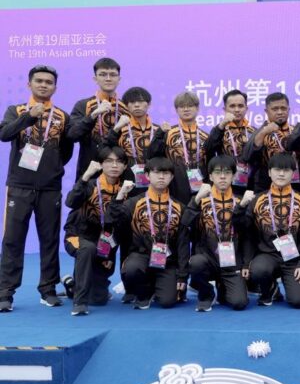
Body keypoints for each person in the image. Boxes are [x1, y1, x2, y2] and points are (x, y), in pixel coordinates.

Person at [0, 65, 73, 312]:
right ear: (29, 84)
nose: (43, 85)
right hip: (19, 186)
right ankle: (5, 292)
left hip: (50, 188)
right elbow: (4, 134)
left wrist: (51, 168)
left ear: (55, 87)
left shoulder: (62, 117)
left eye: (48, 82)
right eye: (39, 81)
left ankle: (48, 289)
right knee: (12, 240)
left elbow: (66, 151)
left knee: (49, 240)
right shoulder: (16, 111)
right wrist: (29, 117)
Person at [107, 157, 189, 309]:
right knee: (131, 269)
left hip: (167, 260)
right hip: (141, 256)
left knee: (167, 302)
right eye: (156, 173)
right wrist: (119, 197)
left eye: (166, 173)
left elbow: (183, 243)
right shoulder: (133, 203)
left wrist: (183, 276)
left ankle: (158, 285)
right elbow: (112, 221)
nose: (161, 177)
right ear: (147, 175)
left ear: (172, 177)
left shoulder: (179, 207)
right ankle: (144, 292)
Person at [182, 155, 254, 312]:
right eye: (217, 172)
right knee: (196, 263)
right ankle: (206, 293)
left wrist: (246, 263)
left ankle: (223, 288)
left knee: (239, 303)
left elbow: (248, 235)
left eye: (227, 173)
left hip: (232, 262)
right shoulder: (201, 200)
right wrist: (196, 200)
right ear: (210, 176)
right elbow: (185, 223)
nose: (222, 177)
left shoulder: (241, 201)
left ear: (234, 176)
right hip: (208, 259)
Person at [243, 153, 300, 308]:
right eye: (277, 169)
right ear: (269, 172)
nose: (281, 174)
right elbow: (248, 234)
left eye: (286, 170)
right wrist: (246, 263)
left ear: (293, 173)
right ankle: (270, 289)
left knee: (299, 302)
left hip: (294, 258)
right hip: (268, 255)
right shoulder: (257, 200)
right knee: (258, 270)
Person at [63, 146, 127, 315]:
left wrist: (109, 254)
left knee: (99, 299)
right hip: (78, 236)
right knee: (87, 249)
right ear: (101, 164)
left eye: (119, 162)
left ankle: (71, 285)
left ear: (125, 166)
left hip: (105, 241)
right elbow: (70, 202)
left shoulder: (125, 189)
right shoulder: (90, 184)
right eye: (109, 161)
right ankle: (80, 302)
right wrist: (85, 176)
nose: (114, 166)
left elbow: (117, 224)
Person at [69, 57, 128, 179]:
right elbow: (72, 135)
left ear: (119, 79)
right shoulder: (83, 105)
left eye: (113, 75)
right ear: (95, 79)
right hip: (90, 172)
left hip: (121, 173)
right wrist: (93, 115)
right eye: (103, 74)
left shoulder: (127, 107)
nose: (108, 78)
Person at [148, 91, 210, 204]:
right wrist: (159, 135)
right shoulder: (168, 133)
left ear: (197, 108)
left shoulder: (205, 136)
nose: (186, 109)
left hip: (199, 184)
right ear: (176, 110)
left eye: (190, 106)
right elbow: (152, 155)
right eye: (182, 106)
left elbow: (209, 163)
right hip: (174, 185)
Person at [105, 87, 159, 192]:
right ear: (126, 106)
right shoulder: (120, 130)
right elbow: (107, 149)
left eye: (140, 101)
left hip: (155, 182)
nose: (137, 105)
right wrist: (116, 129)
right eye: (132, 102)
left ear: (149, 104)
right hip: (127, 182)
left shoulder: (158, 130)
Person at [206, 89, 256, 194]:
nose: (237, 110)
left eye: (240, 106)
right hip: (226, 183)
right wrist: (222, 124)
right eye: (232, 106)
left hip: (251, 183)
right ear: (225, 109)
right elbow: (208, 149)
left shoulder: (254, 131)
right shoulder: (219, 130)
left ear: (246, 108)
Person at [243, 92, 295, 191]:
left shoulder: (295, 131)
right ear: (266, 111)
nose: (280, 112)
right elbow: (247, 157)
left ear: (289, 109)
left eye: (283, 108)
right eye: (275, 109)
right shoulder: (259, 132)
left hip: (294, 186)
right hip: (265, 187)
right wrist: (264, 132)